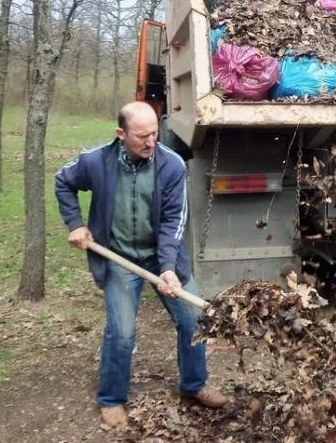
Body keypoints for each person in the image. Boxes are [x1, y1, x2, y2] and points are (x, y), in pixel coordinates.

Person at [54, 101, 227, 429]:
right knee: (121, 332)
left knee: (193, 319)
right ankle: (112, 398)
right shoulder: (96, 162)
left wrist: (167, 268)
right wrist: (75, 223)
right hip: (118, 258)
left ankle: (194, 384)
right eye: (141, 136)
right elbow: (63, 181)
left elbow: (173, 222)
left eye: (154, 133)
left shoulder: (171, 165)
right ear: (121, 134)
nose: (151, 142)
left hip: (163, 256)